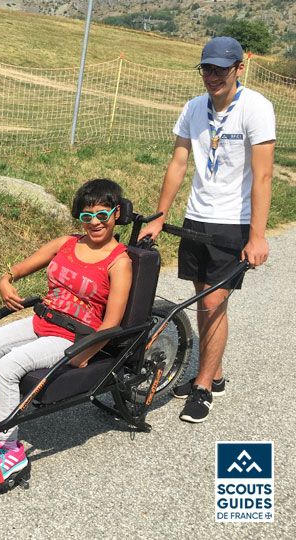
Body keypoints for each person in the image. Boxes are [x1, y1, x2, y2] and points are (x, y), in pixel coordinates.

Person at [0, 179, 132, 489]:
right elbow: (20, 268)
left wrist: (87, 353)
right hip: (41, 321)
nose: (94, 222)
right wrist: (5, 280)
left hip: (73, 336)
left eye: (102, 215)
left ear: (116, 213)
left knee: (9, 367)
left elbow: (112, 322)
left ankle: (9, 451)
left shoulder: (119, 262)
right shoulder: (66, 243)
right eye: (86, 216)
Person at [138, 36, 275, 424]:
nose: (212, 76)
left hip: (233, 221)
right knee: (203, 299)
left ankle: (201, 387)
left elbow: (263, 176)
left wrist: (258, 235)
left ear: (239, 68)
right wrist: (161, 215)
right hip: (198, 216)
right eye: (206, 69)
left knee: (215, 303)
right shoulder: (194, 108)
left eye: (221, 68)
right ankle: (212, 374)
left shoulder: (256, 108)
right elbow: (179, 161)